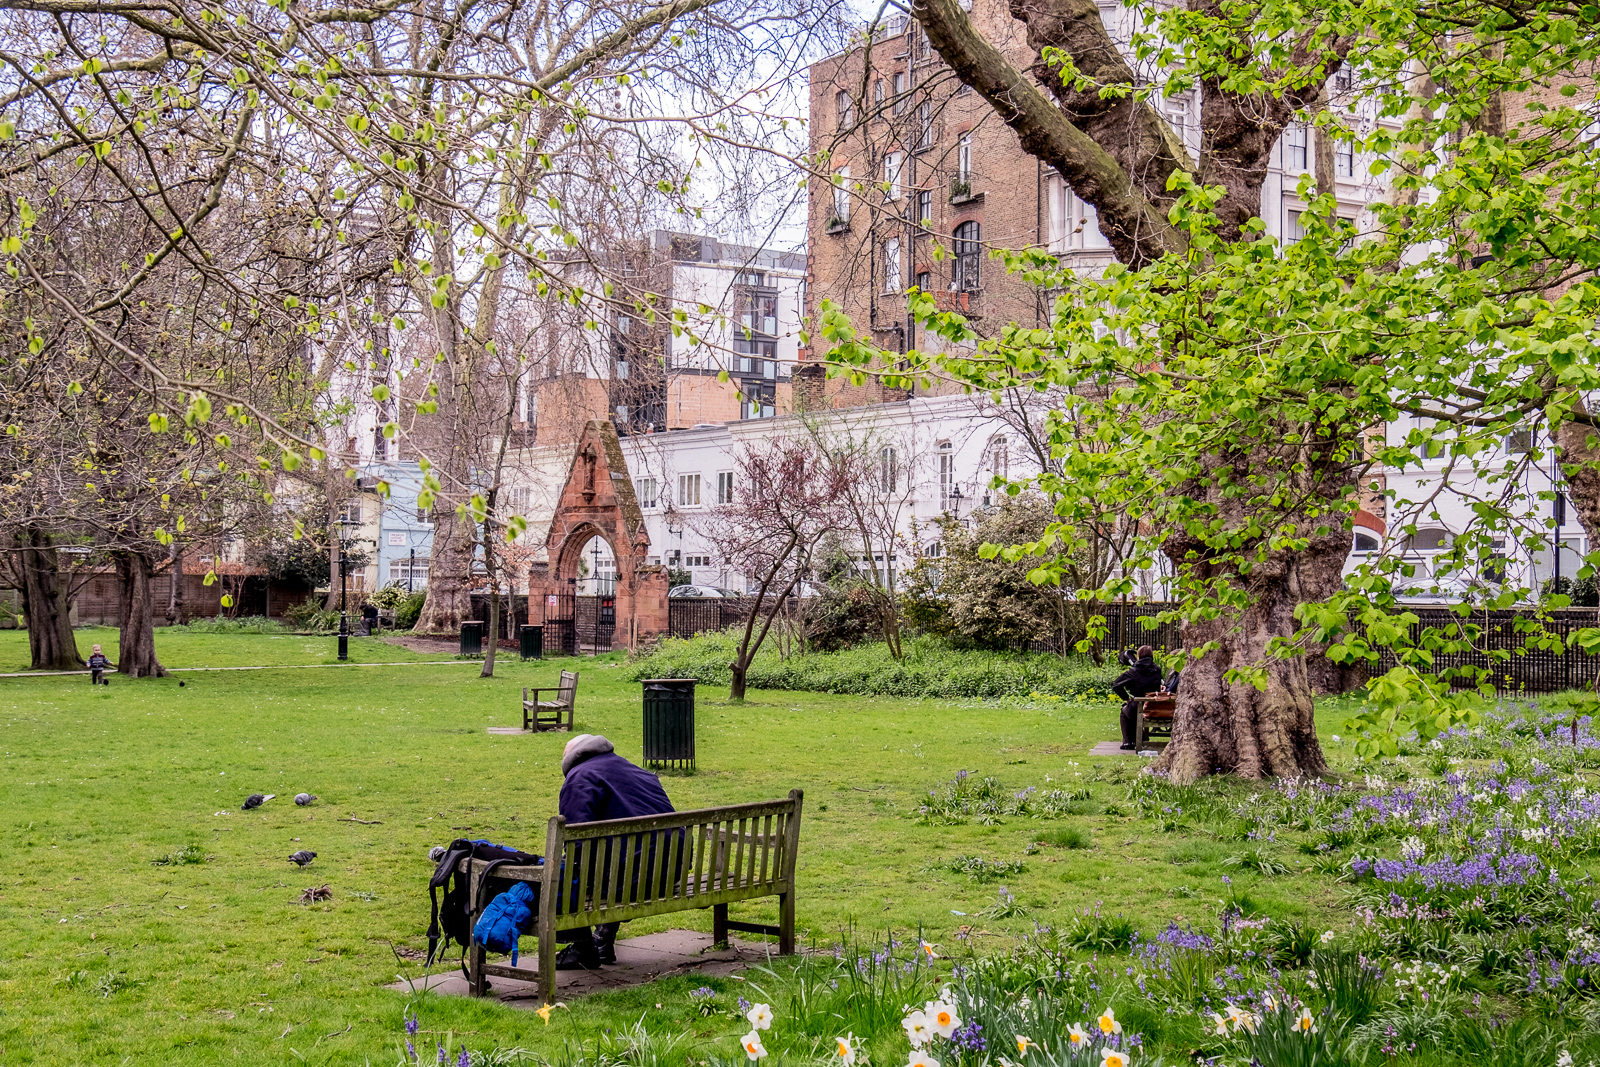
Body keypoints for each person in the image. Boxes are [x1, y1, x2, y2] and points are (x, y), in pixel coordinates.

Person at [555, 733, 675, 969]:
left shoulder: (579, 778)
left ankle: (583, 946)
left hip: (631, 879)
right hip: (670, 870)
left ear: (571, 756)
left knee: (564, 873)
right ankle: (601, 939)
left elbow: (577, 839)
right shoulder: (636, 770)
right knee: (624, 859)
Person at [1110, 645, 1163, 751]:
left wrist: (1127, 698)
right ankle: (1140, 737)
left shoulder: (1133, 671)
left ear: (1138, 656)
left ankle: (1127, 742)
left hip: (1139, 705)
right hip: (1155, 706)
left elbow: (1116, 685)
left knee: (1125, 711)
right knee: (1132, 708)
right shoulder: (1157, 670)